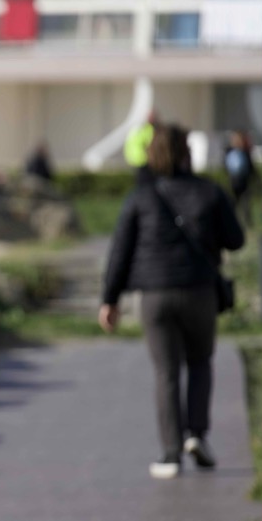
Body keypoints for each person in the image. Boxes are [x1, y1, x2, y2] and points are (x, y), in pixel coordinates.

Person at [99, 124, 244, 479]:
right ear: (186, 153)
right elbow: (236, 239)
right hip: (199, 291)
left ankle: (170, 453)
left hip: (155, 295)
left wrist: (110, 299)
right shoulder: (209, 192)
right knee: (200, 362)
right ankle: (197, 435)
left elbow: (120, 252)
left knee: (166, 372)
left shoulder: (141, 197)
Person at [223, 129, 256, 227]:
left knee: (244, 203)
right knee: (236, 202)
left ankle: (245, 221)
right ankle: (231, 220)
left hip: (240, 180)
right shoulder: (234, 151)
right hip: (236, 180)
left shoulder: (243, 152)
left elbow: (250, 166)